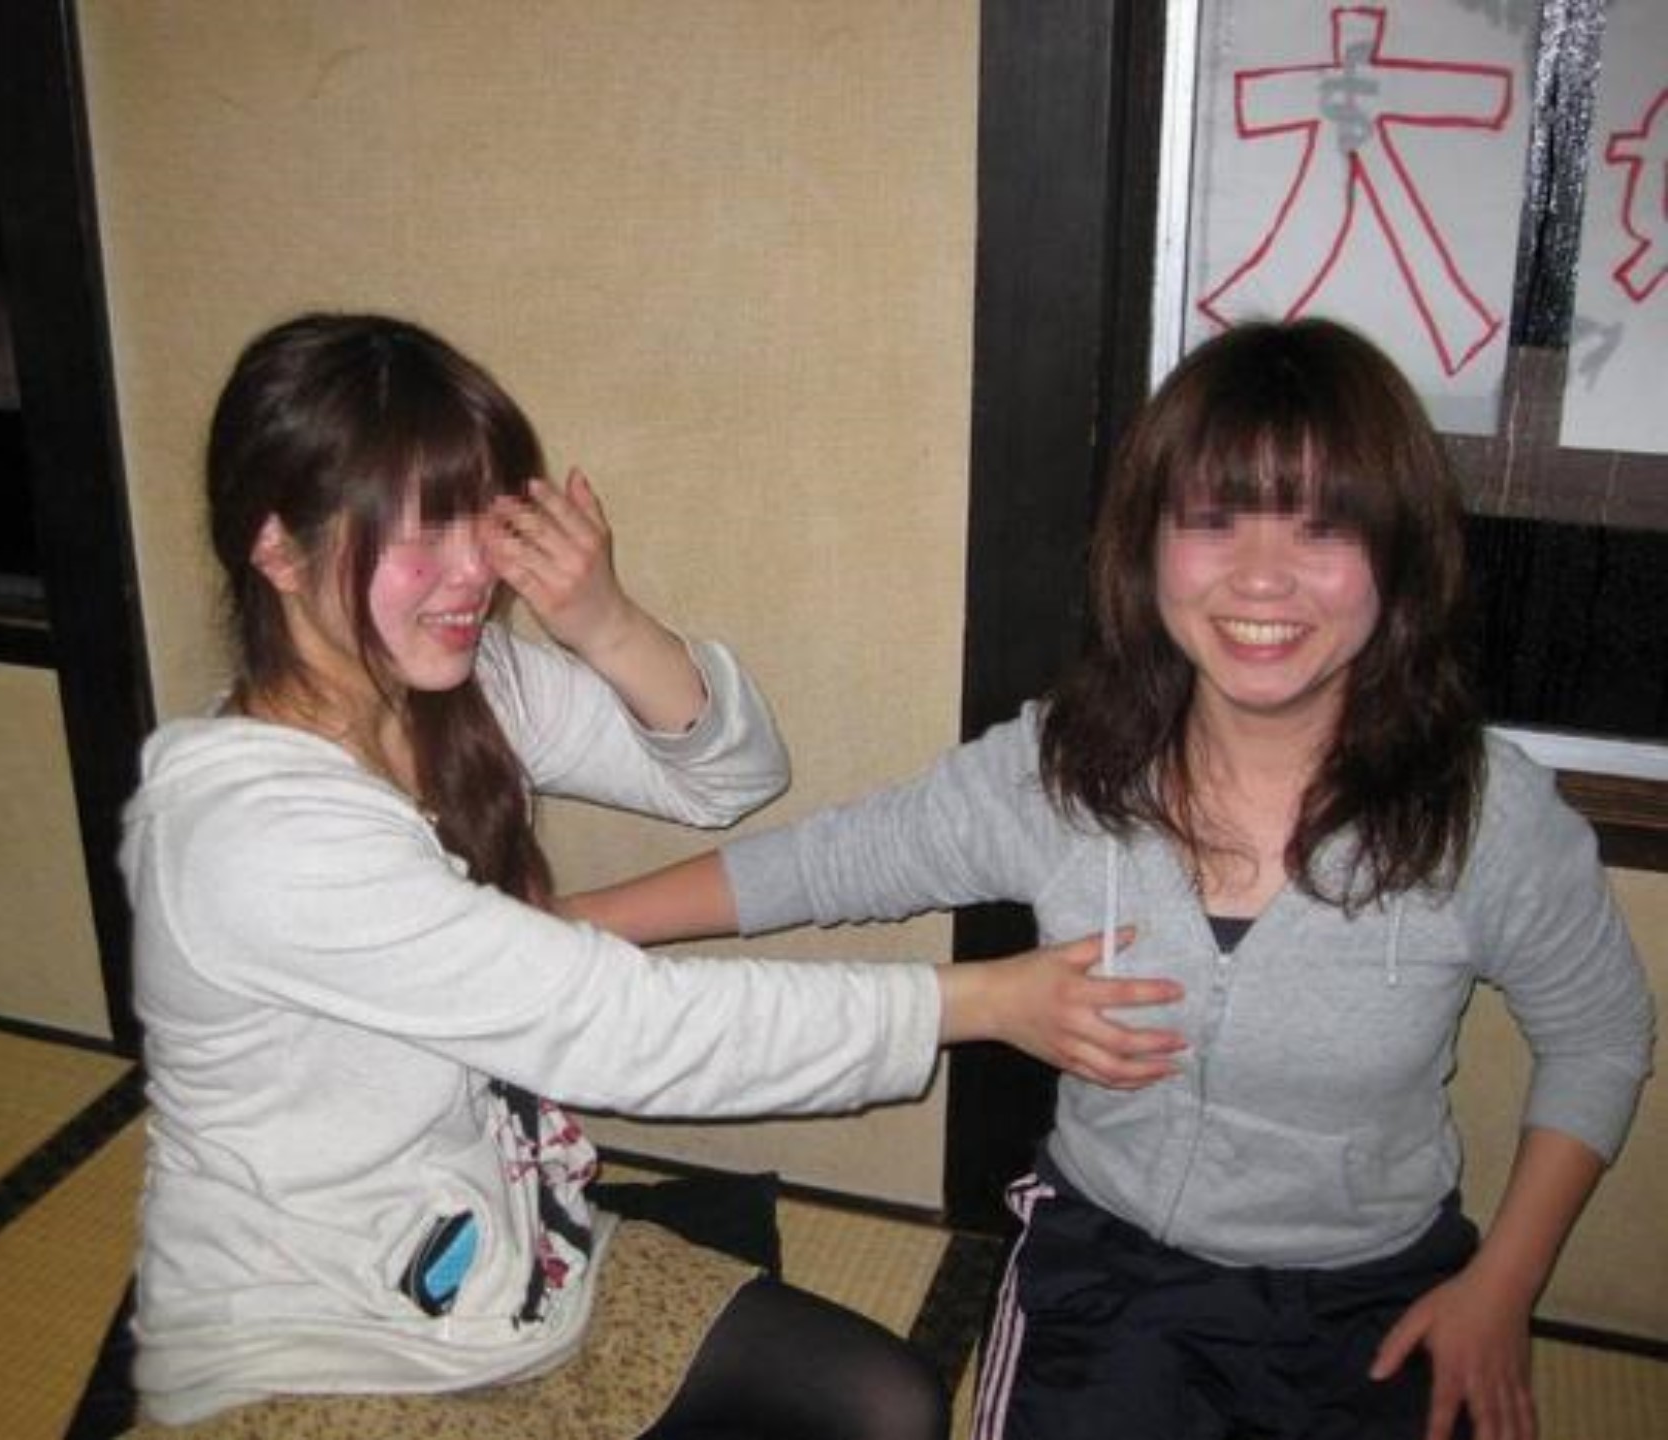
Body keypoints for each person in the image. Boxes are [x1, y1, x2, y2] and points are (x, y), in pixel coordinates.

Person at [568, 318, 1656, 1440]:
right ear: (1149, 545)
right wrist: (569, 927)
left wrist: (1502, 1285)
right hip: (1110, 1275)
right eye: (1214, 519)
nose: (1262, 576)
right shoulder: (1069, 766)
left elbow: (1601, 1035)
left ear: (1399, 555)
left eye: (1323, 525)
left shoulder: (1481, 809)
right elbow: (833, 861)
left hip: (1375, 1293)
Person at [117, 311, 1187, 1440]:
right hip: (311, 1336)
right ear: (279, 550)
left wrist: (603, 619)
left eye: (481, 517)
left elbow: (727, 777)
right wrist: (979, 1002)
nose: (474, 571)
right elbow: (623, 1029)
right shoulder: (252, 834)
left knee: (890, 1404)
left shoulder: (457, 689)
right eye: (420, 532)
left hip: (510, 1259)